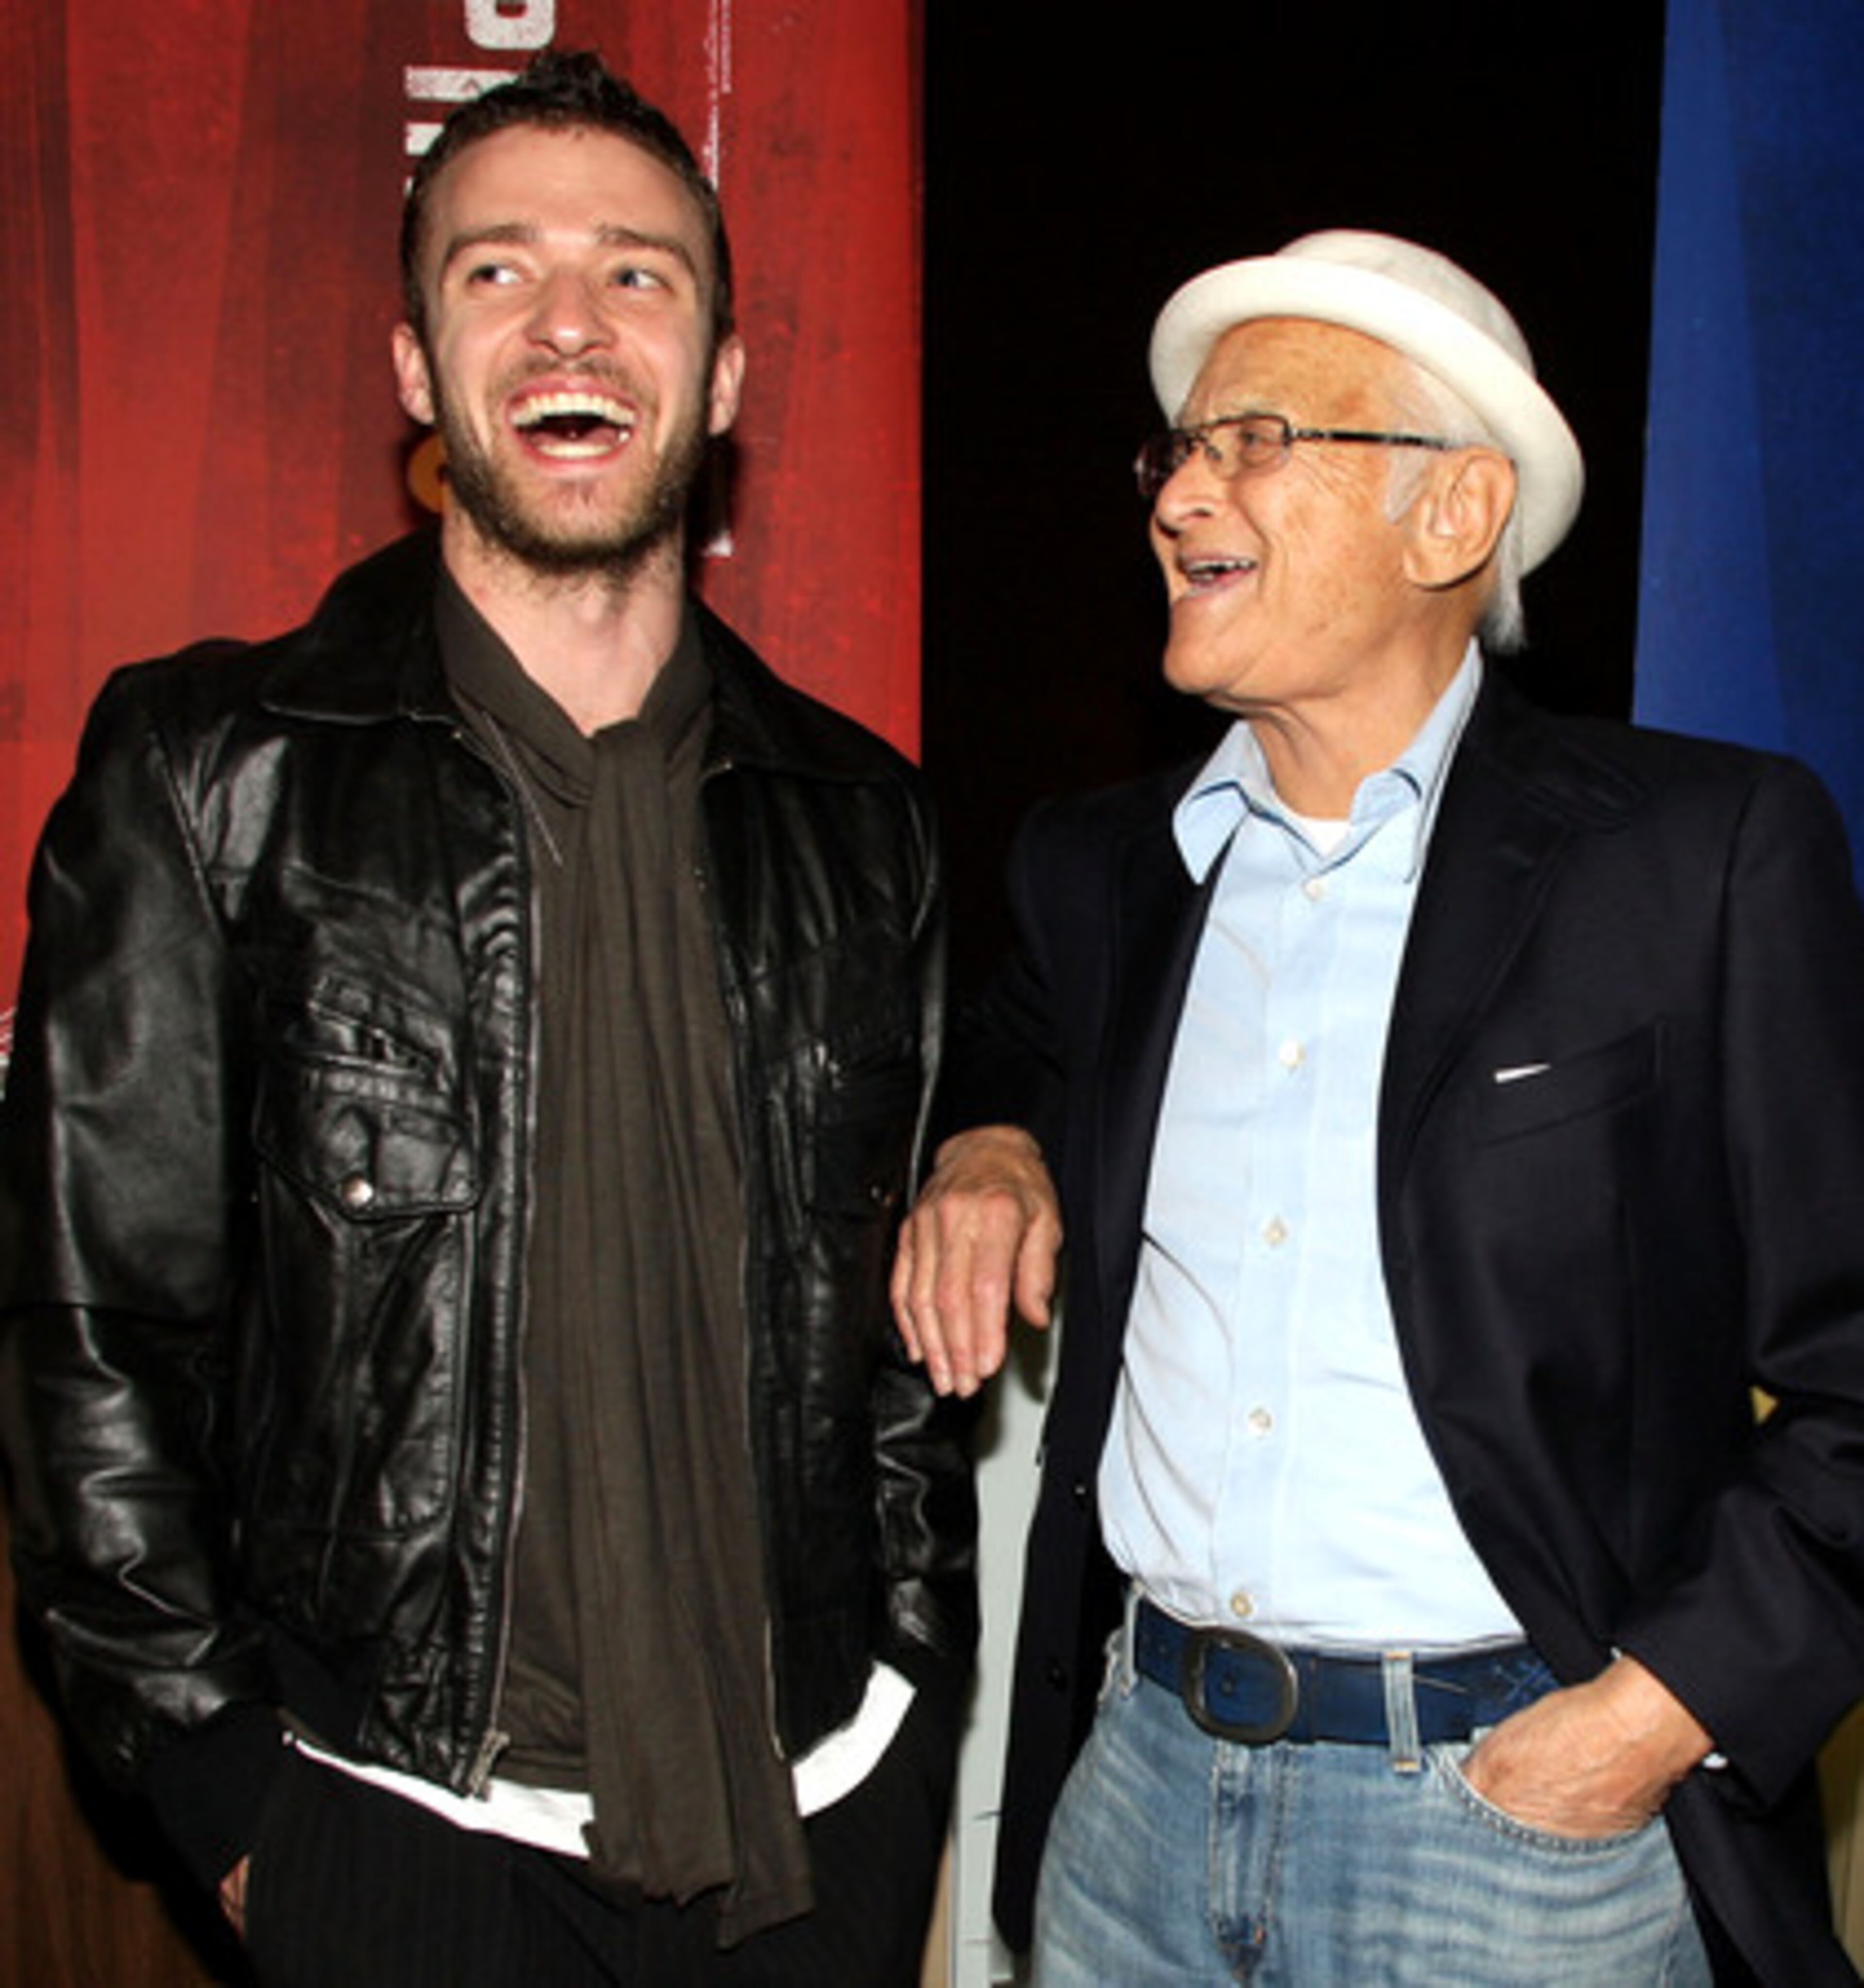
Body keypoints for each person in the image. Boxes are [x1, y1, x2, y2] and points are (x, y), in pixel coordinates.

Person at [0, 50, 974, 1988]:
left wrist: (911, 1719)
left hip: (813, 1832)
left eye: (637, 274)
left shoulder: (862, 818)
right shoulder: (215, 772)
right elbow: (93, 1337)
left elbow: (888, 1364)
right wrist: (229, 1807)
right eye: (495, 273)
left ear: (724, 378)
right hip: (397, 1834)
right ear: (413, 367)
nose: (568, 324)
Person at [891, 228, 1864, 1984]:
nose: (1187, 486)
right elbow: (1015, 1047)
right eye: (1177, 448)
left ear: (1453, 515)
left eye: (1258, 438)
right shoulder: (1100, 871)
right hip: (1134, 1801)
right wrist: (990, 1143)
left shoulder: (1696, 858)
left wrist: (1651, 1719)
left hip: (1516, 1834)